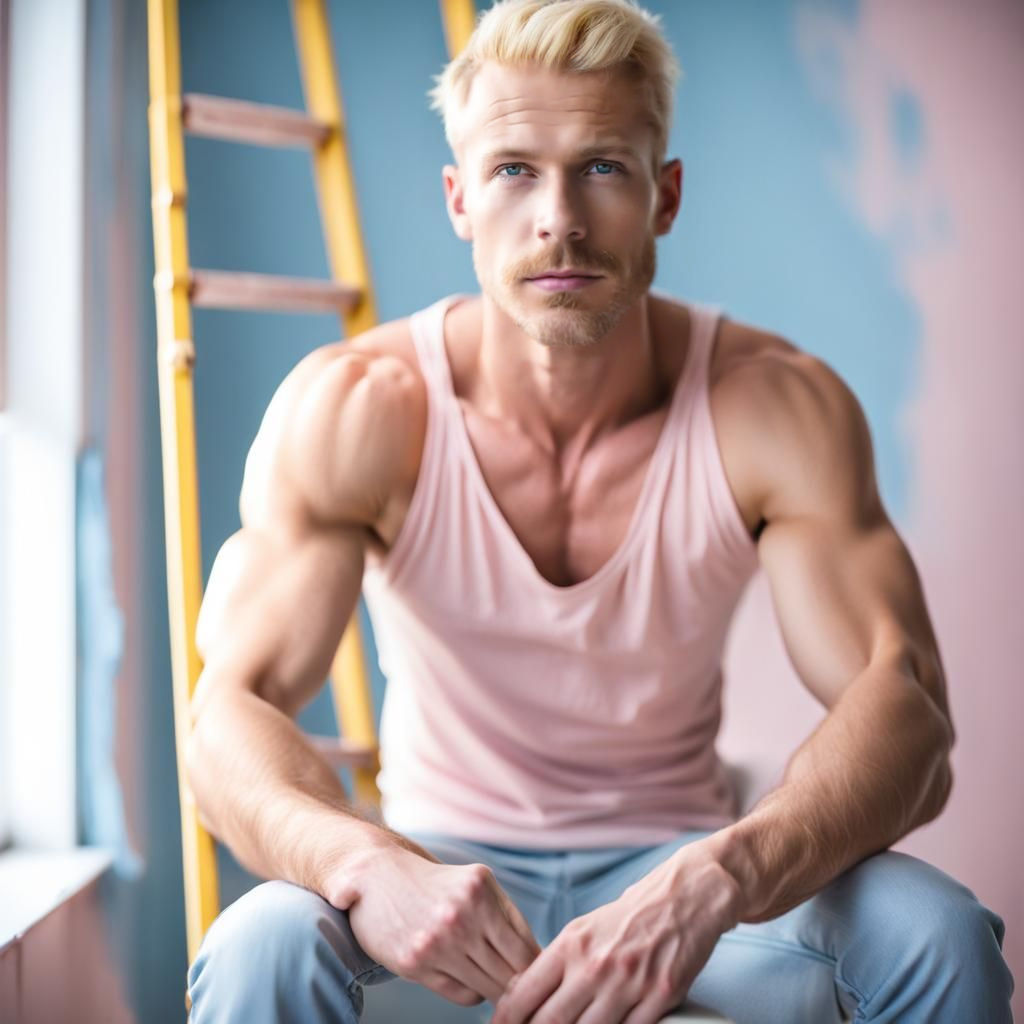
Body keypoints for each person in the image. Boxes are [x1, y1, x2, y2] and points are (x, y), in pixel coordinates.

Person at [184, 1, 1014, 1021]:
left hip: (682, 875)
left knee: (936, 934)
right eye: (513, 170)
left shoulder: (772, 404)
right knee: (258, 941)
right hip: (440, 873)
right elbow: (226, 712)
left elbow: (907, 713)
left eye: (603, 168)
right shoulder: (359, 408)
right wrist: (360, 861)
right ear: (458, 197)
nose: (559, 219)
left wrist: (718, 877)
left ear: (665, 196)